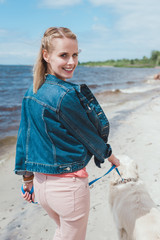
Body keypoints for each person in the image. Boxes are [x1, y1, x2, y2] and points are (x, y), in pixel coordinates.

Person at [15, 27, 120, 240]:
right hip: (67, 188)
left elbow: (24, 138)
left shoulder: (31, 91)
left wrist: (27, 179)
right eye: (64, 55)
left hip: (42, 187)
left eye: (75, 55)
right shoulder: (66, 95)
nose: (71, 62)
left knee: (62, 233)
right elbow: (89, 136)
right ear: (46, 55)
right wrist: (112, 157)